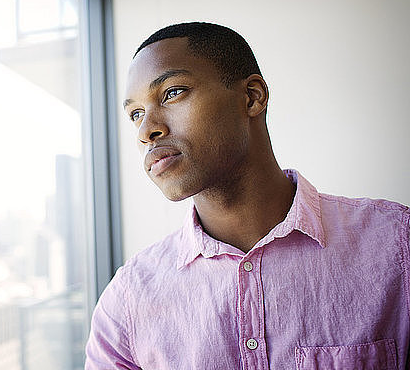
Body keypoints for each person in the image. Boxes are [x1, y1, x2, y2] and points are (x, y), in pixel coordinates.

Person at [84, 22, 410, 369]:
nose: (148, 131)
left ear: (252, 97)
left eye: (172, 93)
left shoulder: (397, 245)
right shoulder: (128, 301)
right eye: (136, 114)